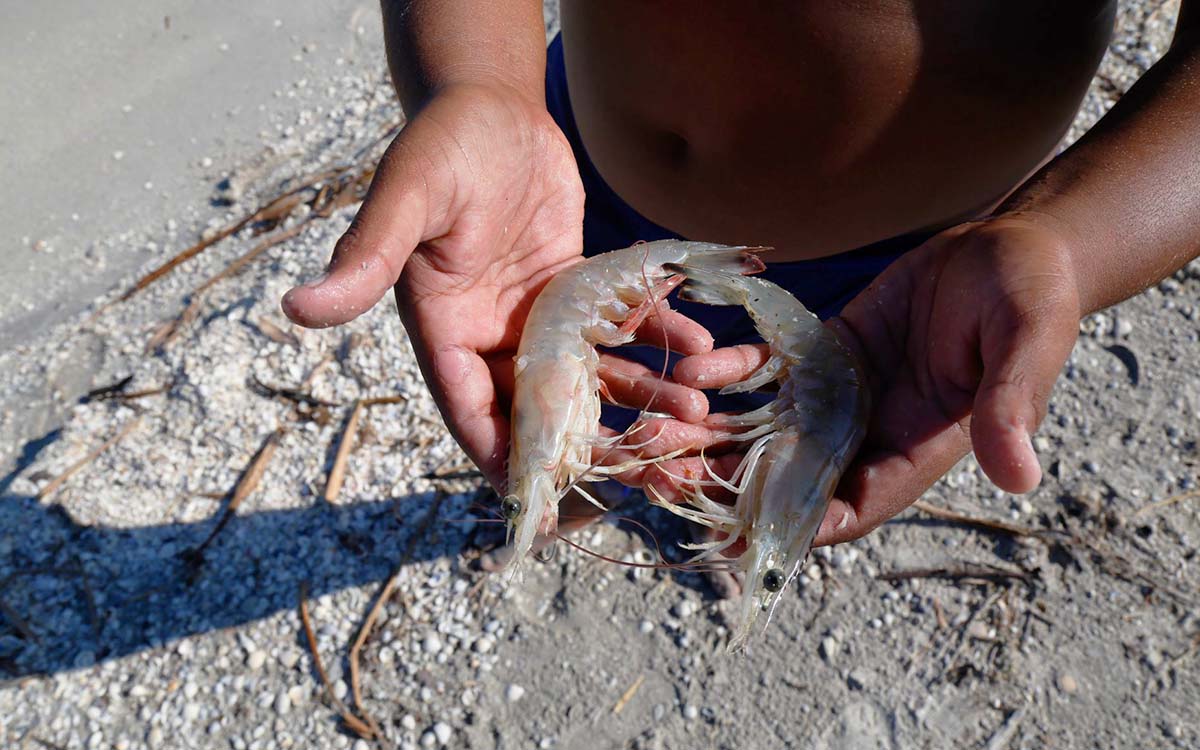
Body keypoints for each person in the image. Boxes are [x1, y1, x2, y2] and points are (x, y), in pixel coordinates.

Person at [282, 1, 1200, 551]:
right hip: (559, 178)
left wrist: (1066, 242)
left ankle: (681, 514)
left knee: (729, 442)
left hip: (898, 276)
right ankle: (577, 498)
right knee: (600, 419)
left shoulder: (908, 298)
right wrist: (479, 84)